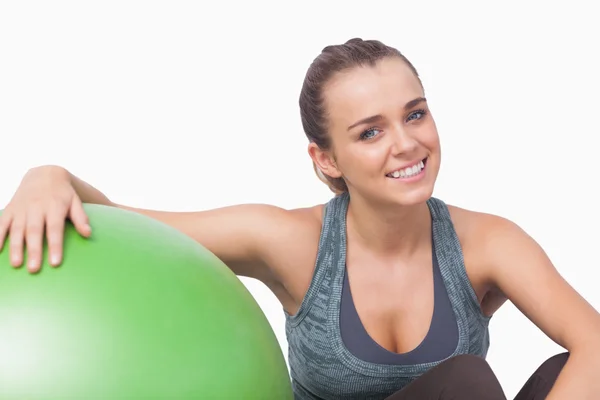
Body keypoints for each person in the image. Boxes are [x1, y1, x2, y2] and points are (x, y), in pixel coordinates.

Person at [0, 38, 599, 400]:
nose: (406, 144)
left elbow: (594, 342)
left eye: (414, 114)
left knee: (564, 371)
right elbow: (134, 229)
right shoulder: (294, 242)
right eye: (370, 132)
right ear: (326, 159)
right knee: (465, 383)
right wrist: (48, 176)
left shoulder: (486, 243)